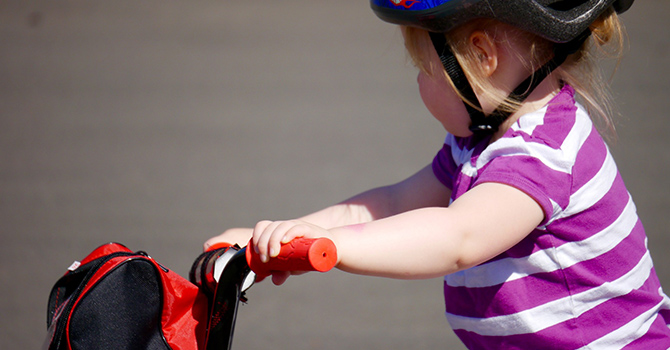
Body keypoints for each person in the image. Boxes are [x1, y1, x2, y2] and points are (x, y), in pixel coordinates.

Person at [206, 0, 670, 347]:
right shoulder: (480, 144)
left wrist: (334, 248)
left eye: (424, 68)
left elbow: (457, 238)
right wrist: (276, 239)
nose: (418, 83)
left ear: (482, 57)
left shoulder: (546, 155)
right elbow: (387, 205)